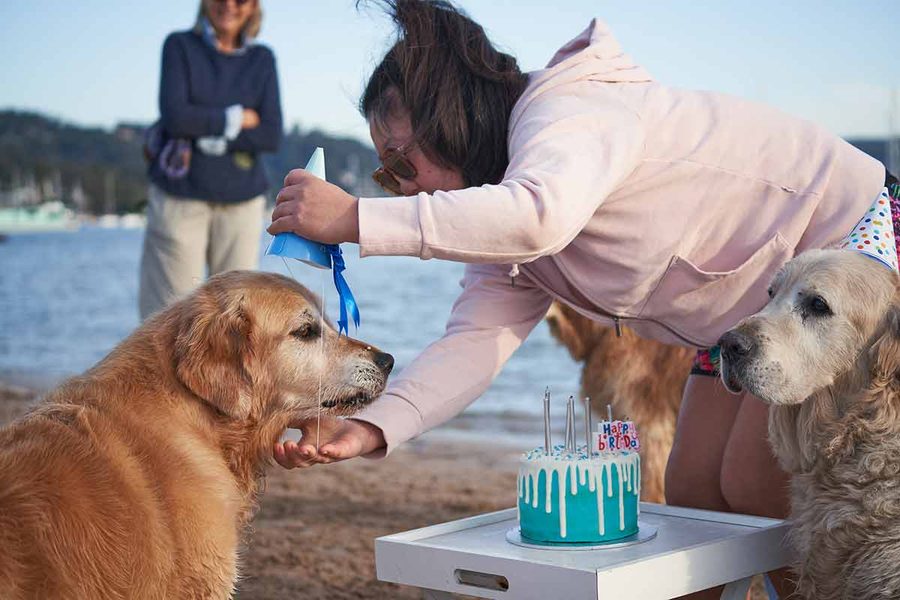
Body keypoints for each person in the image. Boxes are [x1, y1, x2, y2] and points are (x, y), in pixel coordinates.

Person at [268, 1, 891, 595]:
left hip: (851, 253)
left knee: (753, 484)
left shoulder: (568, 113)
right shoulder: (505, 223)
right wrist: (371, 426)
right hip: (745, 315)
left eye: (400, 167)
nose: (402, 191)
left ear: (453, 118)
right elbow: (474, 344)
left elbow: (537, 216)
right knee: (695, 490)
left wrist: (355, 218)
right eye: (385, 178)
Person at [139, 0, 282, 319]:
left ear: (253, 6)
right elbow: (176, 119)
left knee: (237, 321)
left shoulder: (262, 59)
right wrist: (237, 118)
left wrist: (202, 128)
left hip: (242, 202)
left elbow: (270, 135)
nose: (228, 5)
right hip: (179, 197)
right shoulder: (179, 46)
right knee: (167, 318)